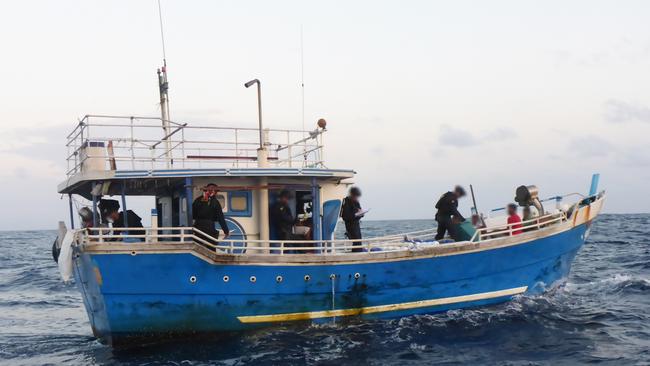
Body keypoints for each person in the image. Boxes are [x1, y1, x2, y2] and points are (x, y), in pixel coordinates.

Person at [340, 186, 364, 252]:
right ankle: (356, 253)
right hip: (350, 225)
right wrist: (356, 215)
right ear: (352, 195)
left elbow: (360, 211)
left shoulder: (356, 202)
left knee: (359, 241)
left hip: (356, 224)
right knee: (356, 241)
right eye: (355, 196)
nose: (356, 198)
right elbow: (345, 216)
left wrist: (361, 213)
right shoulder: (346, 201)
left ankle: (358, 253)